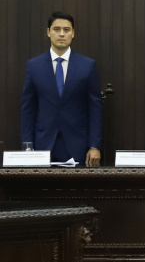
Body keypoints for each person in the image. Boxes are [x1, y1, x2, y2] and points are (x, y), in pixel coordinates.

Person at [20, 11, 103, 166]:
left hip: (78, 145)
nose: (61, 34)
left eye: (66, 30)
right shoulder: (34, 66)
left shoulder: (87, 66)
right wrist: (27, 145)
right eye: (57, 29)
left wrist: (95, 146)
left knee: (76, 190)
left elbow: (95, 109)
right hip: (42, 145)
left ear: (73, 33)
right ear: (48, 32)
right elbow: (28, 109)